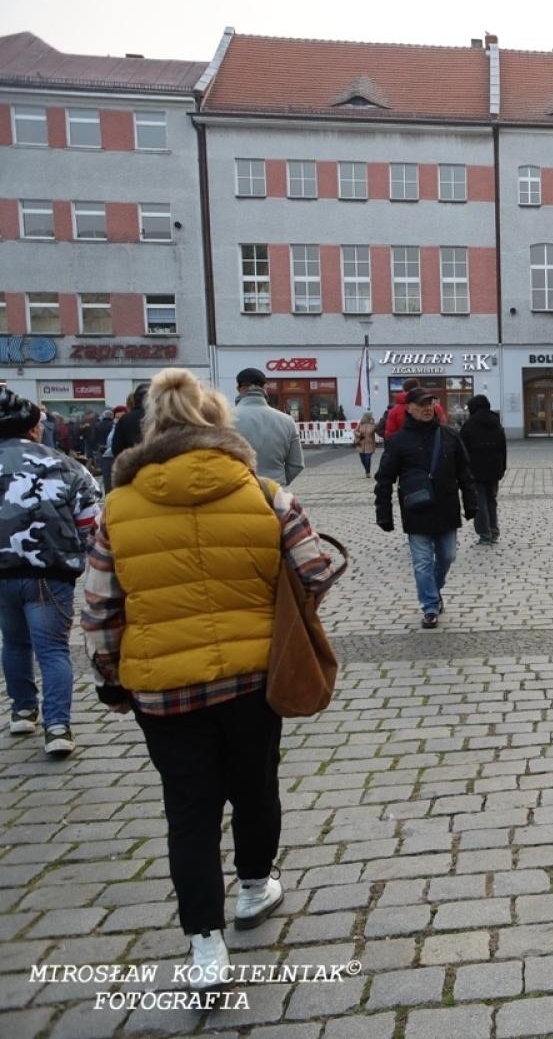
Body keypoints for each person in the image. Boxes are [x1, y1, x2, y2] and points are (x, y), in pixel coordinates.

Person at [80, 368, 339, 987]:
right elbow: (316, 571)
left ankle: (204, 947)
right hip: (252, 682)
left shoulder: (118, 508)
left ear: (151, 430)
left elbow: (99, 609)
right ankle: (253, 887)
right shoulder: (267, 495)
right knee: (255, 787)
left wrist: (110, 678)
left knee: (189, 812)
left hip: (163, 691)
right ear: (219, 424)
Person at [0, 389, 102, 756]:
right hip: (50, 572)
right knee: (53, 650)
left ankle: (22, 710)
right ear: (33, 429)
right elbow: (90, 523)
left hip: (2, 573)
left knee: (13, 643)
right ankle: (57, 726)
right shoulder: (65, 465)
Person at [374, 387, 476, 628]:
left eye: (430, 403)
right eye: (421, 404)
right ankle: (430, 606)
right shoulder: (398, 441)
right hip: (416, 511)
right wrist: (384, 513)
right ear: (409, 408)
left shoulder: (449, 435)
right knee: (422, 562)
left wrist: (471, 502)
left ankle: (433, 590)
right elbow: (385, 479)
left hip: (446, 507)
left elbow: (465, 472)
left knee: (448, 556)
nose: (427, 408)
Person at [232, 368, 304, 486]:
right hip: (275, 490)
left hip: (238, 489)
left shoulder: (224, 419)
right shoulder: (287, 421)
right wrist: (279, 482)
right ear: (265, 387)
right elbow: (296, 464)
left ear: (238, 388)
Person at [460, 395, 507, 545]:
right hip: (495, 468)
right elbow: (503, 448)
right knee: (491, 500)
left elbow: (462, 450)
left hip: (475, 469)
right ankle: (494, 531)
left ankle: (484, 534)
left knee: (479, 501)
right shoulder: (496, 423)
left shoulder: (469, 425)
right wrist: (502, 467)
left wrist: (462, 470)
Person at [108, 385, 148, 489]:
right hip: (154, 469)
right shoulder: (159, 417)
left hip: (131, 471)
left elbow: (116, 448)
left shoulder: (125, 419)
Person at [353, 412, 379, 477]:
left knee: (367, 458)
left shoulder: (373, 425)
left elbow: (378, 431)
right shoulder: (360, 424)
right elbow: (355, 431)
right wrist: (359, 434)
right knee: (362, 459)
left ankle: (368, 472)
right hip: (361, 444)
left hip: (370, 444)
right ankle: (366, 470)